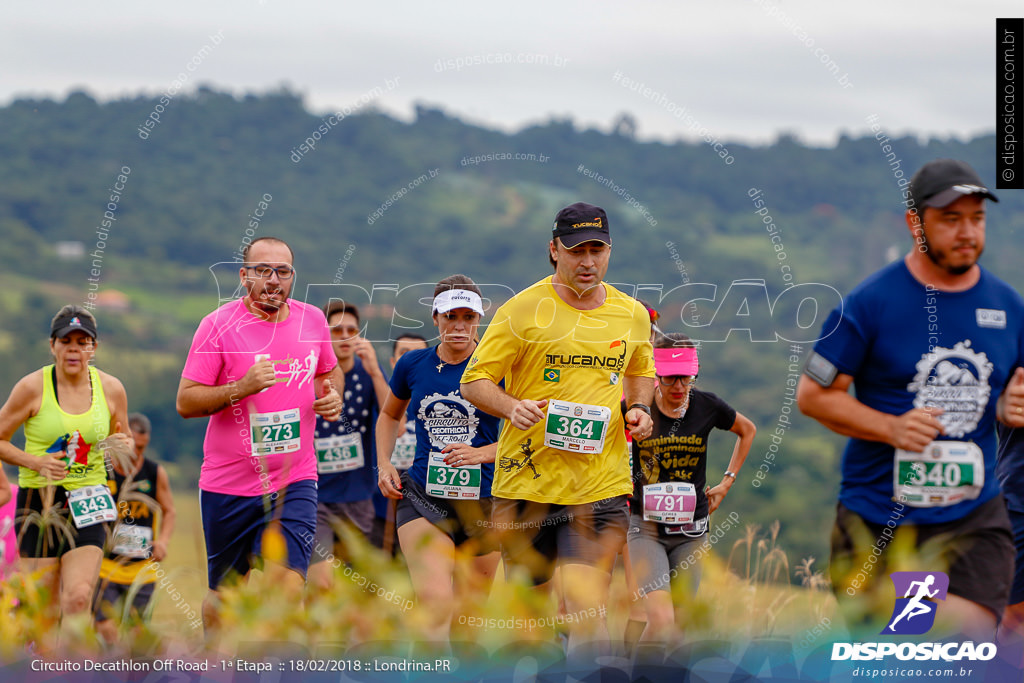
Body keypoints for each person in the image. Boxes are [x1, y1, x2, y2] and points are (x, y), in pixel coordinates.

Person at [797, 159, 1024, 640]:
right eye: (951, 219)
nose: (967, 232)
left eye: (977, 219)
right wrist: (891, 428)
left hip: (973, 516)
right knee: (907, 650)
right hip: (882, 518)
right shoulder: (869, 303)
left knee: (967, 641)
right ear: (915, 224)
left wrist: (1008, 409)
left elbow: (1009, 394)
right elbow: (814, 396)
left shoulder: (1007, 306)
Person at [460, 202, 655, 649]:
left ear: (609, 252)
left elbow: (641, 369)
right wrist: (511, 407)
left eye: (596, 250)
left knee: (587, 615)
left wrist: (640, 408)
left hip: (599, 486)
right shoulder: (520, 310)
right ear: (554, 250)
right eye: (575, 251)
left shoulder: (632, 314)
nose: (587, 262)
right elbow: (474, 383)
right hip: (527, 487)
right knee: (530, 622)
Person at [176, 236, 344, 634]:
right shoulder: (217, 326)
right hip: (229, 484)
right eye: (263, 270)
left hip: (294, 478)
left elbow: (328, 370)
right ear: (244, 275)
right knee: (226, 596)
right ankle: (215, 667)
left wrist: (331, 393)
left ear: (292, 277)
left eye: (282, 271)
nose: (273, 280)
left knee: (288, 587)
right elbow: (186, 402)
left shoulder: (312, 321)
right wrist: (241, 387)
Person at [376, 275, 501, 641]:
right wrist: (383, 463)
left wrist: (480, 454)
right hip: (422, 496)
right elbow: (388, 416)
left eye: (467, 316)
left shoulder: (500, 366)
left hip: (485, 501)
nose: (459, 326)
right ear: (435, 318)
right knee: (434, 605)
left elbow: (524, 436)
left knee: (470, 623)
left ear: (479, 318)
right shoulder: (413, 365)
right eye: (450, 317)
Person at [0, 305, 132, 639]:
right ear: (53, 345)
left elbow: (126, 440)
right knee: (42, 611)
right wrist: (34, 462)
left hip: (90, 499)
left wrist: (121, 446)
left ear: (94, 348)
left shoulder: (112, 388)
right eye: (66, 340)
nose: (74, 348)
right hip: (39, 502)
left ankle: (76, 671)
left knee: (77, 597)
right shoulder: (32, 387)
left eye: (82, 341)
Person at [627, 333, 755, 642]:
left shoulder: (707, 405)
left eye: (686, 379)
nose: (679, 388)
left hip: (693, 531)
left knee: (679, 628)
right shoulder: (636, 409)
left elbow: (747, 431)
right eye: (670, 379)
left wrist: (727, 482)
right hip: (646, 529)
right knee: (660, 620)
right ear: (656, 375)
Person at [308, 302, 387, 591]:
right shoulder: (310, 372)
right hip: (315, 497)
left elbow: (398, 423)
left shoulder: (369, 374)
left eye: (351, 330)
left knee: (355, 587)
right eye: (336, 330)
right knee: (322, 583)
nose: (344, 336)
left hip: (358, 497)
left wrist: (376, 371)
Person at [94, 412, 176, 646]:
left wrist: (163, 542)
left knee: (137, 634)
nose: (137, 454)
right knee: (105, 627)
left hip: (142, 570)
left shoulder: (153, 472)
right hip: (106, 567)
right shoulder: (103, 469)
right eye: (132, 447)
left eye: (142, 448)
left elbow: (169, 510)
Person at [370, 334, 428, 553]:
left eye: (418, 354)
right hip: (378, 507)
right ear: (394, 362)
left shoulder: (439, 403)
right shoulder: (378, 395)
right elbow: (394, 419)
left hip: (424, 504)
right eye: (404, 354)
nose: (411, 360)